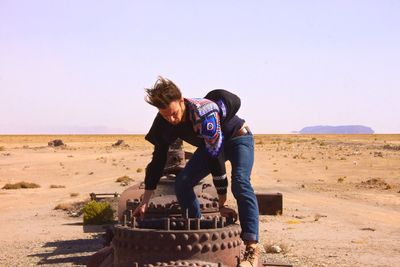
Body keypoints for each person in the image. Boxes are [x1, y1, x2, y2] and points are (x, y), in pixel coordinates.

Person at [133, 77, 259, 267]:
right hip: (211, 147)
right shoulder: (163, 122)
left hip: (237, 139)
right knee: (183, 182)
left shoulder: (204, 113)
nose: (172, 120)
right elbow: (157, 161)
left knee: (240, 182)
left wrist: (222, 200)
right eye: (166, 115)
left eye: (174, 113)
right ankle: (196, 227)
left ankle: (251, 248)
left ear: (182, 100)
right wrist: (145, 201)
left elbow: (216, 158)